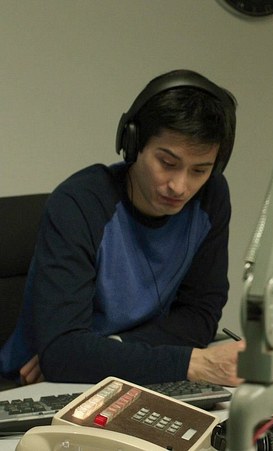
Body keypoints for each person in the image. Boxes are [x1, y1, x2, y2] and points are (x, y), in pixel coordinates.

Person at [0, 69, 246, 387]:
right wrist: (189, 363)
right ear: (133, 142)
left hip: (130, 377)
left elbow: (200, 316)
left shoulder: (210, 197)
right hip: (32, 387)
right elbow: (62, 355)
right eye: (167, 163)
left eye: (199, 170)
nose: (180, 186)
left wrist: (107, 351)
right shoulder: (80, 202)